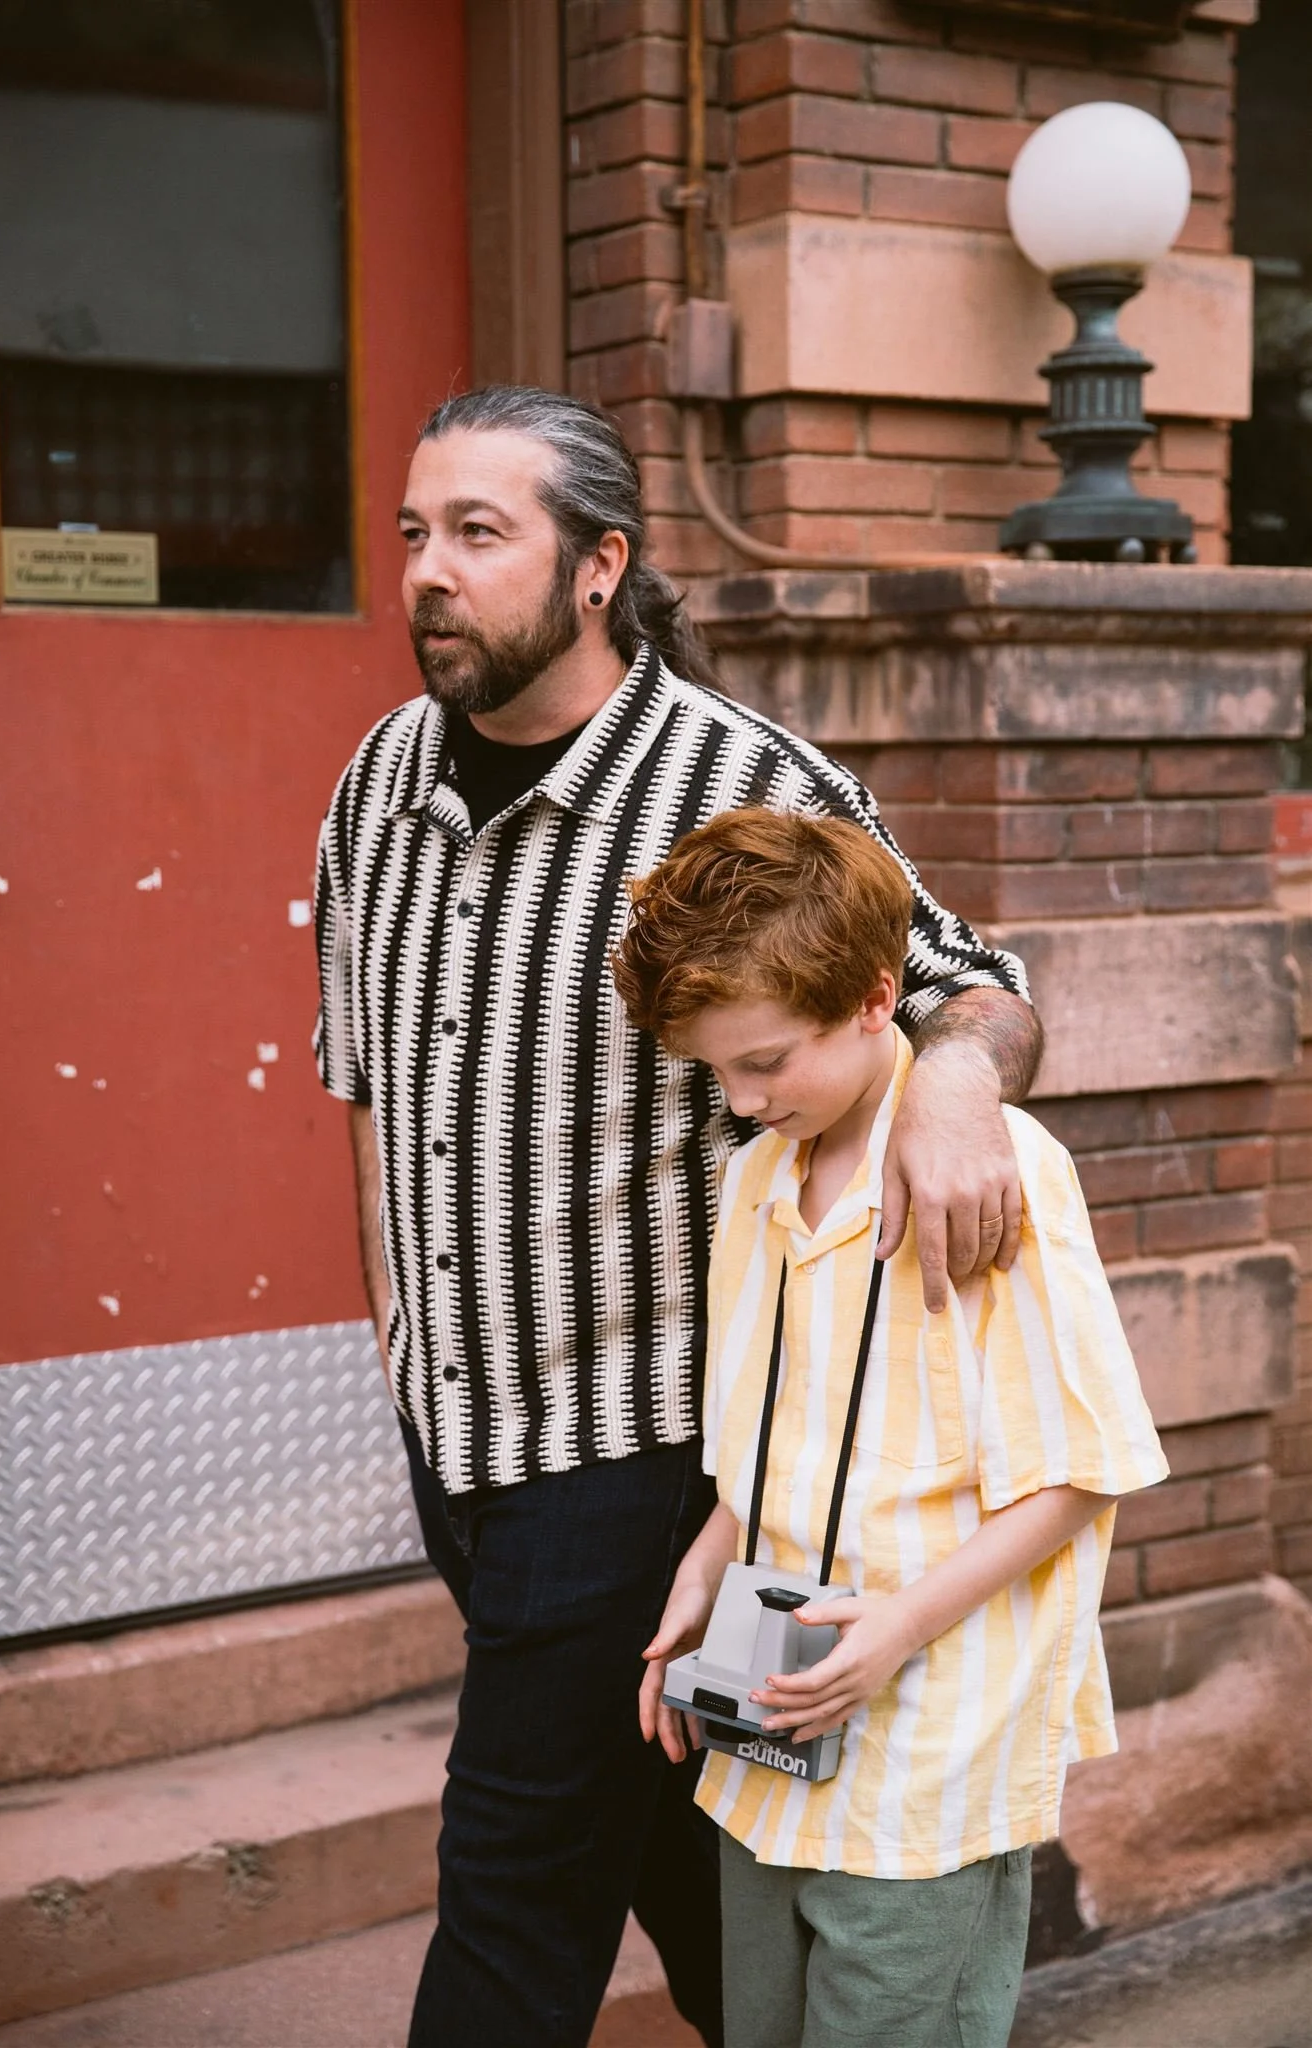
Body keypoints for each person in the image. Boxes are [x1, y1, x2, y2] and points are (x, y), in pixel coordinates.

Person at [311, 386, 1043, 2048]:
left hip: (640, 1451)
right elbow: (367, 1092)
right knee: (679, 1854)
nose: (427, 570)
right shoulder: (374, 782)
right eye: (415, 531)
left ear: (598, 566)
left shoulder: (738, 780)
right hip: (459, 1441)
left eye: (478, 532)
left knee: (511, 1889)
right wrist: (400, 1350)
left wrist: (951, 1090)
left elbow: (966, 987)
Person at [617, 808, 1167, 2048]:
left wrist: (895, 1631)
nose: (742, 1099)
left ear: (877, 996)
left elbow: (1082, 1469)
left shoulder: (999, 1168)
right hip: (773, 1723)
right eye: (713, 1070)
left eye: (766, 1060)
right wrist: (705, 1567)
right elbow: (773, 1435)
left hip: (933, 1750)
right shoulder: (756, 1176)